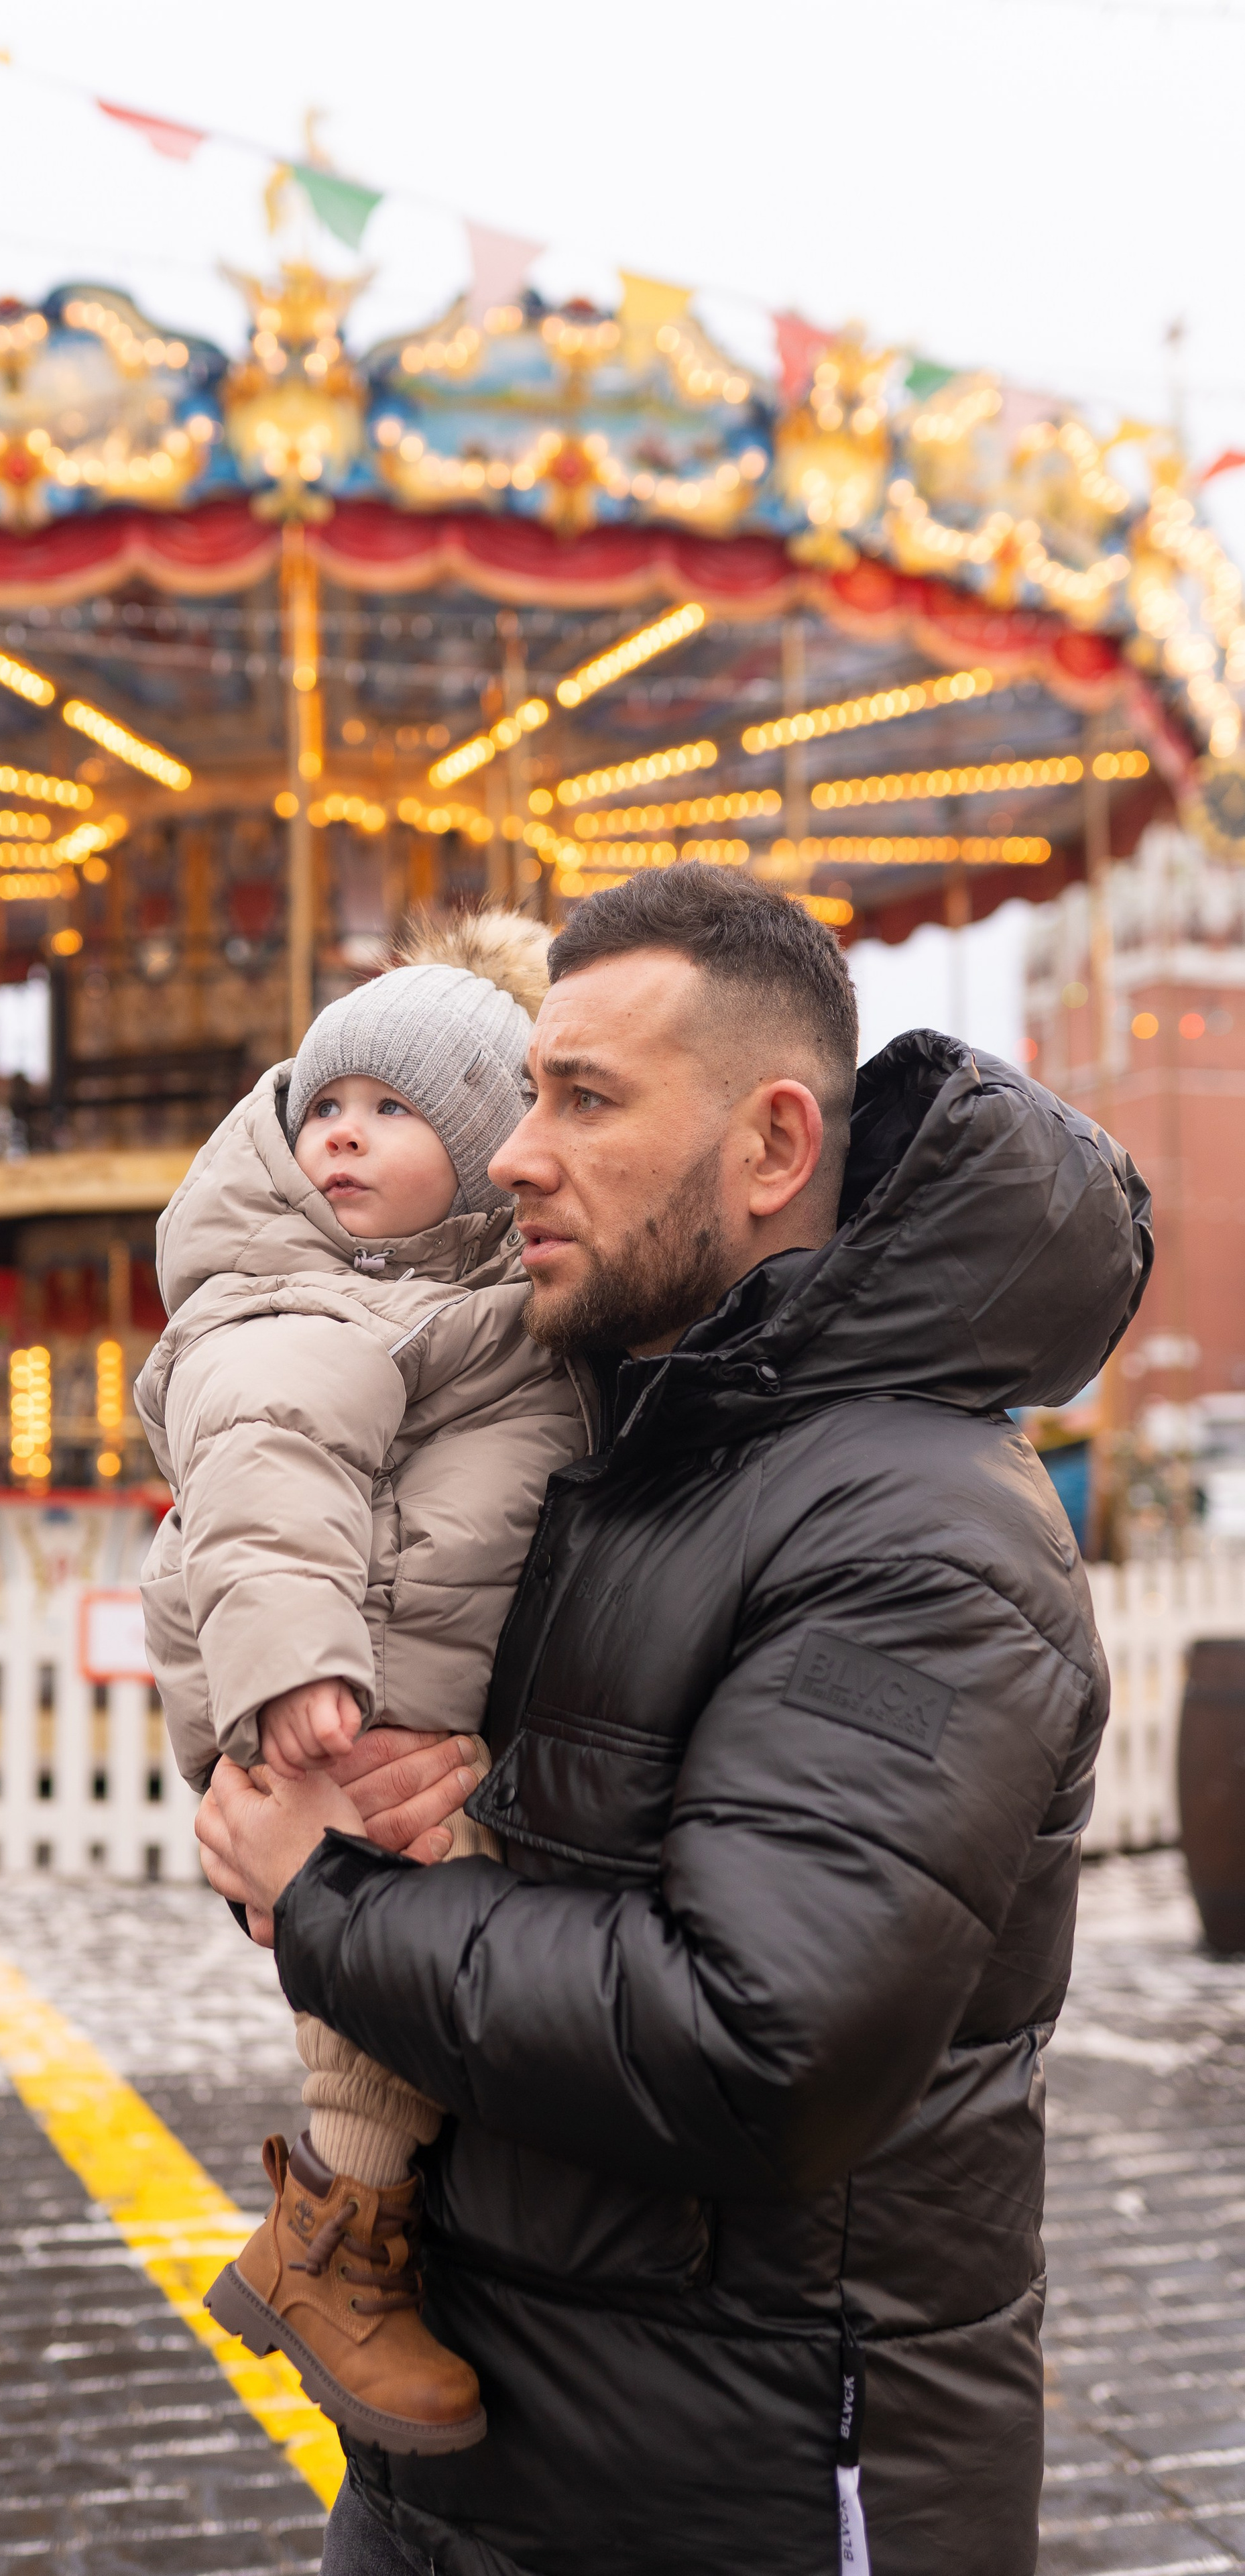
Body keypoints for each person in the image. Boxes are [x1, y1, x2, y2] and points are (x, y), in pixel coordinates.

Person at [196, 863, 1152, 2576]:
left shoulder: (916, 1538)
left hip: (738, 2486)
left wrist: (337, 1898)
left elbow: (758, 2038)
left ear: (772, 1147)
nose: (507, 1150)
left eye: (581, 1098)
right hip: (474, 2452)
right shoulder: (615, 1443)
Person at [135, 911, 587, 2455]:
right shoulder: (295, 1296)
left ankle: (334, 2236)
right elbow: (265, 1473)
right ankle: (343, 2232)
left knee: (426, 1905)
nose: (338, 1137)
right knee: (407, 1899)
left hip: (386, 1671)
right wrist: (295, 1671)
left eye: (391, 1114)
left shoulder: (466, 1298)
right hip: (321, 1679)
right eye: (323, 1106)